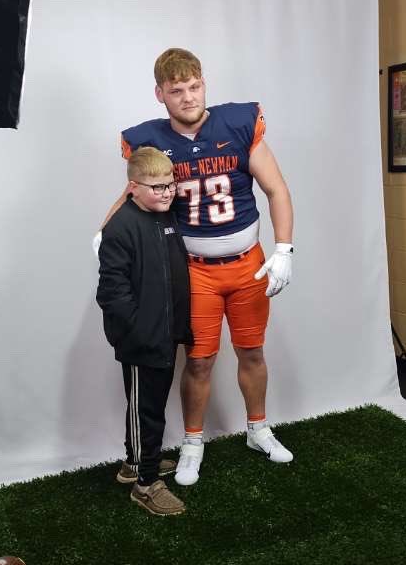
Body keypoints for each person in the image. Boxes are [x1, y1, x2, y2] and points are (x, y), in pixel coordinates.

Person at [103, 47, 294, 487]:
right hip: (195, 272)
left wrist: (284, 249)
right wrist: (106, 229)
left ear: (204, 83)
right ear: (160, 94)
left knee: (252, 352)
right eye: (177, 90)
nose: (188, 97)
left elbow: (276, 189)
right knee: (200, 360)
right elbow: (136, 189)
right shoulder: (149, 139)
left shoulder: (238, 124)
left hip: (249, 265)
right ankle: (192, 444)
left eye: (194, 86)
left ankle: (258, 429)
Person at [96, 147, 192, 516]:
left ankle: (134, 464)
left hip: (165, 333)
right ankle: (146, 483)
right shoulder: (122, 226)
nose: (167, 193)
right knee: (147, 412)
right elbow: (112, 292)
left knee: (148, 407)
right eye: (157, 187)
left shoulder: (163, 217)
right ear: (133, 187)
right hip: (142, 339)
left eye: (170, 185)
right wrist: (138, 332)